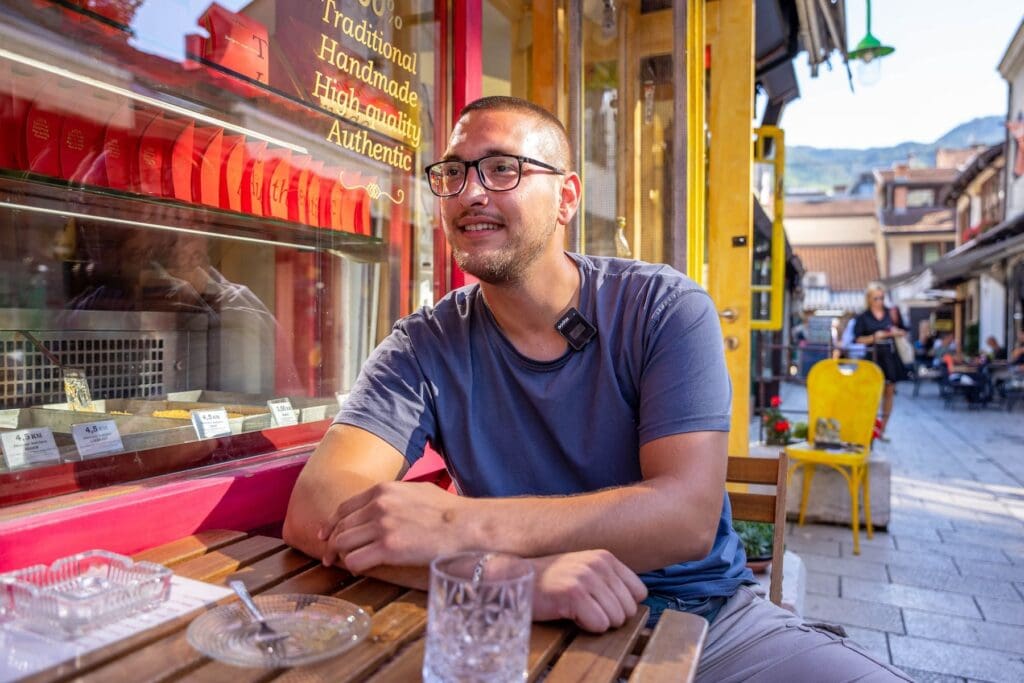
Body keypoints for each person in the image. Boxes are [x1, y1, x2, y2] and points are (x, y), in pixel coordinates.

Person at [283, 96, 910, 681]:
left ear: (567, 197)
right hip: (517, 626)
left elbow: (685, 517)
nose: (469, 192)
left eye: (502, 168)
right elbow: (316, 510)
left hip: (704, 625)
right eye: (452, 173)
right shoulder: (424, 343)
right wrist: (510, 578)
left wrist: (453, 523)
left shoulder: (663, 308)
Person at [853, 284, 908, 440]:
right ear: (869, 299)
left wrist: (895, 333)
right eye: (876, 298)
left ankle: (882, 429)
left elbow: (904, 330)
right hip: (873, 356)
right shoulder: (863, 317)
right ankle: (869, 427)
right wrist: (875, 336)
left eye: (882, 298)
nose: (879, 301)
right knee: (871, 393)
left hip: (890, 355)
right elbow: (857, 339)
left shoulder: (891, 313)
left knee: (889, 392)